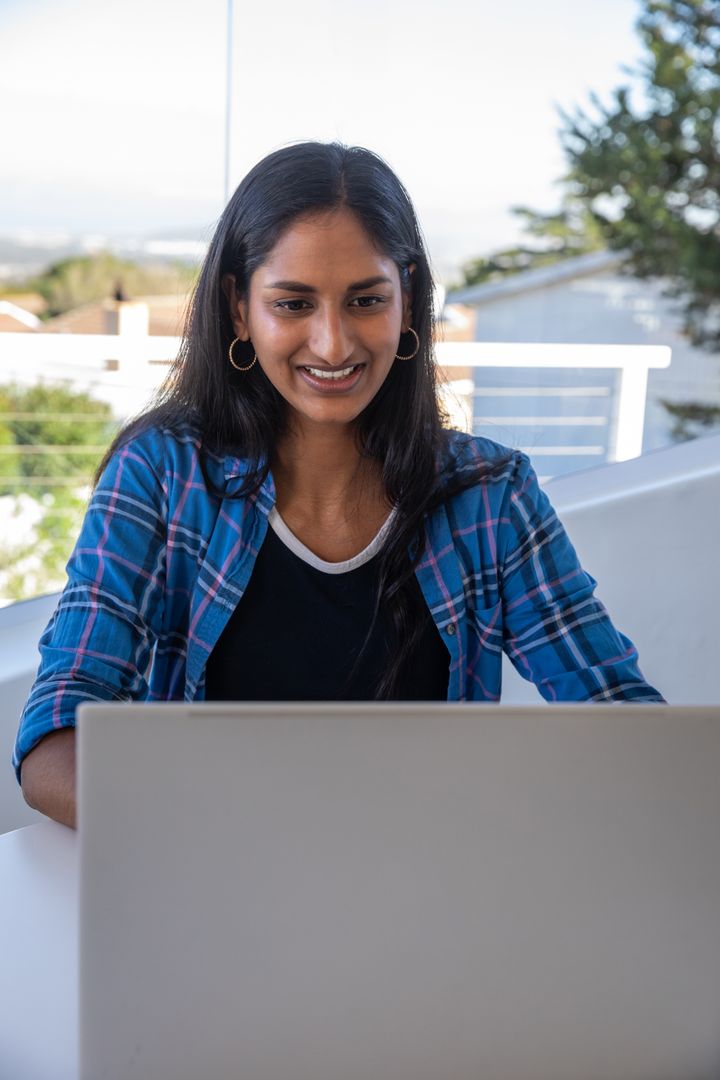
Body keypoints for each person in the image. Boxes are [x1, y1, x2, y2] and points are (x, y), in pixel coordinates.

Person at [14, 142, 663, 828]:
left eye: (366, 300)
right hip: (214, 884)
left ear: (408, 300)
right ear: (238, 308)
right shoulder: (161, 476)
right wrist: (233, 831)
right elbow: (58, 729)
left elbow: (620, 715)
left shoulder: (491, 495)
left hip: (427, 887)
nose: (332, 343)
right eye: (293, 303)